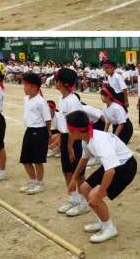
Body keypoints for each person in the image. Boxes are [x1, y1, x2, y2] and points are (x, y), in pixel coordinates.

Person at [66, 110, 137, 243]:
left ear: (76, 131)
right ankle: (102, 221)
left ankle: (110, 228)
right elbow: (84, 159)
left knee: (94, 196)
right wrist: (73, 179)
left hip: (126, 166)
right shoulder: (86, 138)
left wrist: (98, 195)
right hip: (113, 165)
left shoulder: (99, 141)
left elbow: (110, 172)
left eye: (69, 130)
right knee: (84, 188)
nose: (68, 133)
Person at [52, 68, 88, 217]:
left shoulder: (73, 101)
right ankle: (74, 199)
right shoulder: (62, 99)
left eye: (56, 80)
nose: (54, 82)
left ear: (62, 83)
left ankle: (84, 203)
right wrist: (61, 139)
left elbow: (75, 126)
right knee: (67, 170)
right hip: (66, 137)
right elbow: (63, 123)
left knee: (78, 173)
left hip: (75, 139)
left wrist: (70, 145)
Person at [19, 73, 51, 195]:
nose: (24, 88)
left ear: (34, 87)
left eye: (25, 85)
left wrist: (48, 133)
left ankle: (40, 183)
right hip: (29, 130)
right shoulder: (25, 99)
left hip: (39, 131)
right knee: (25, 159)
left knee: (38, 160)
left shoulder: (41, 101)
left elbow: (47, 119)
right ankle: (32, 180)